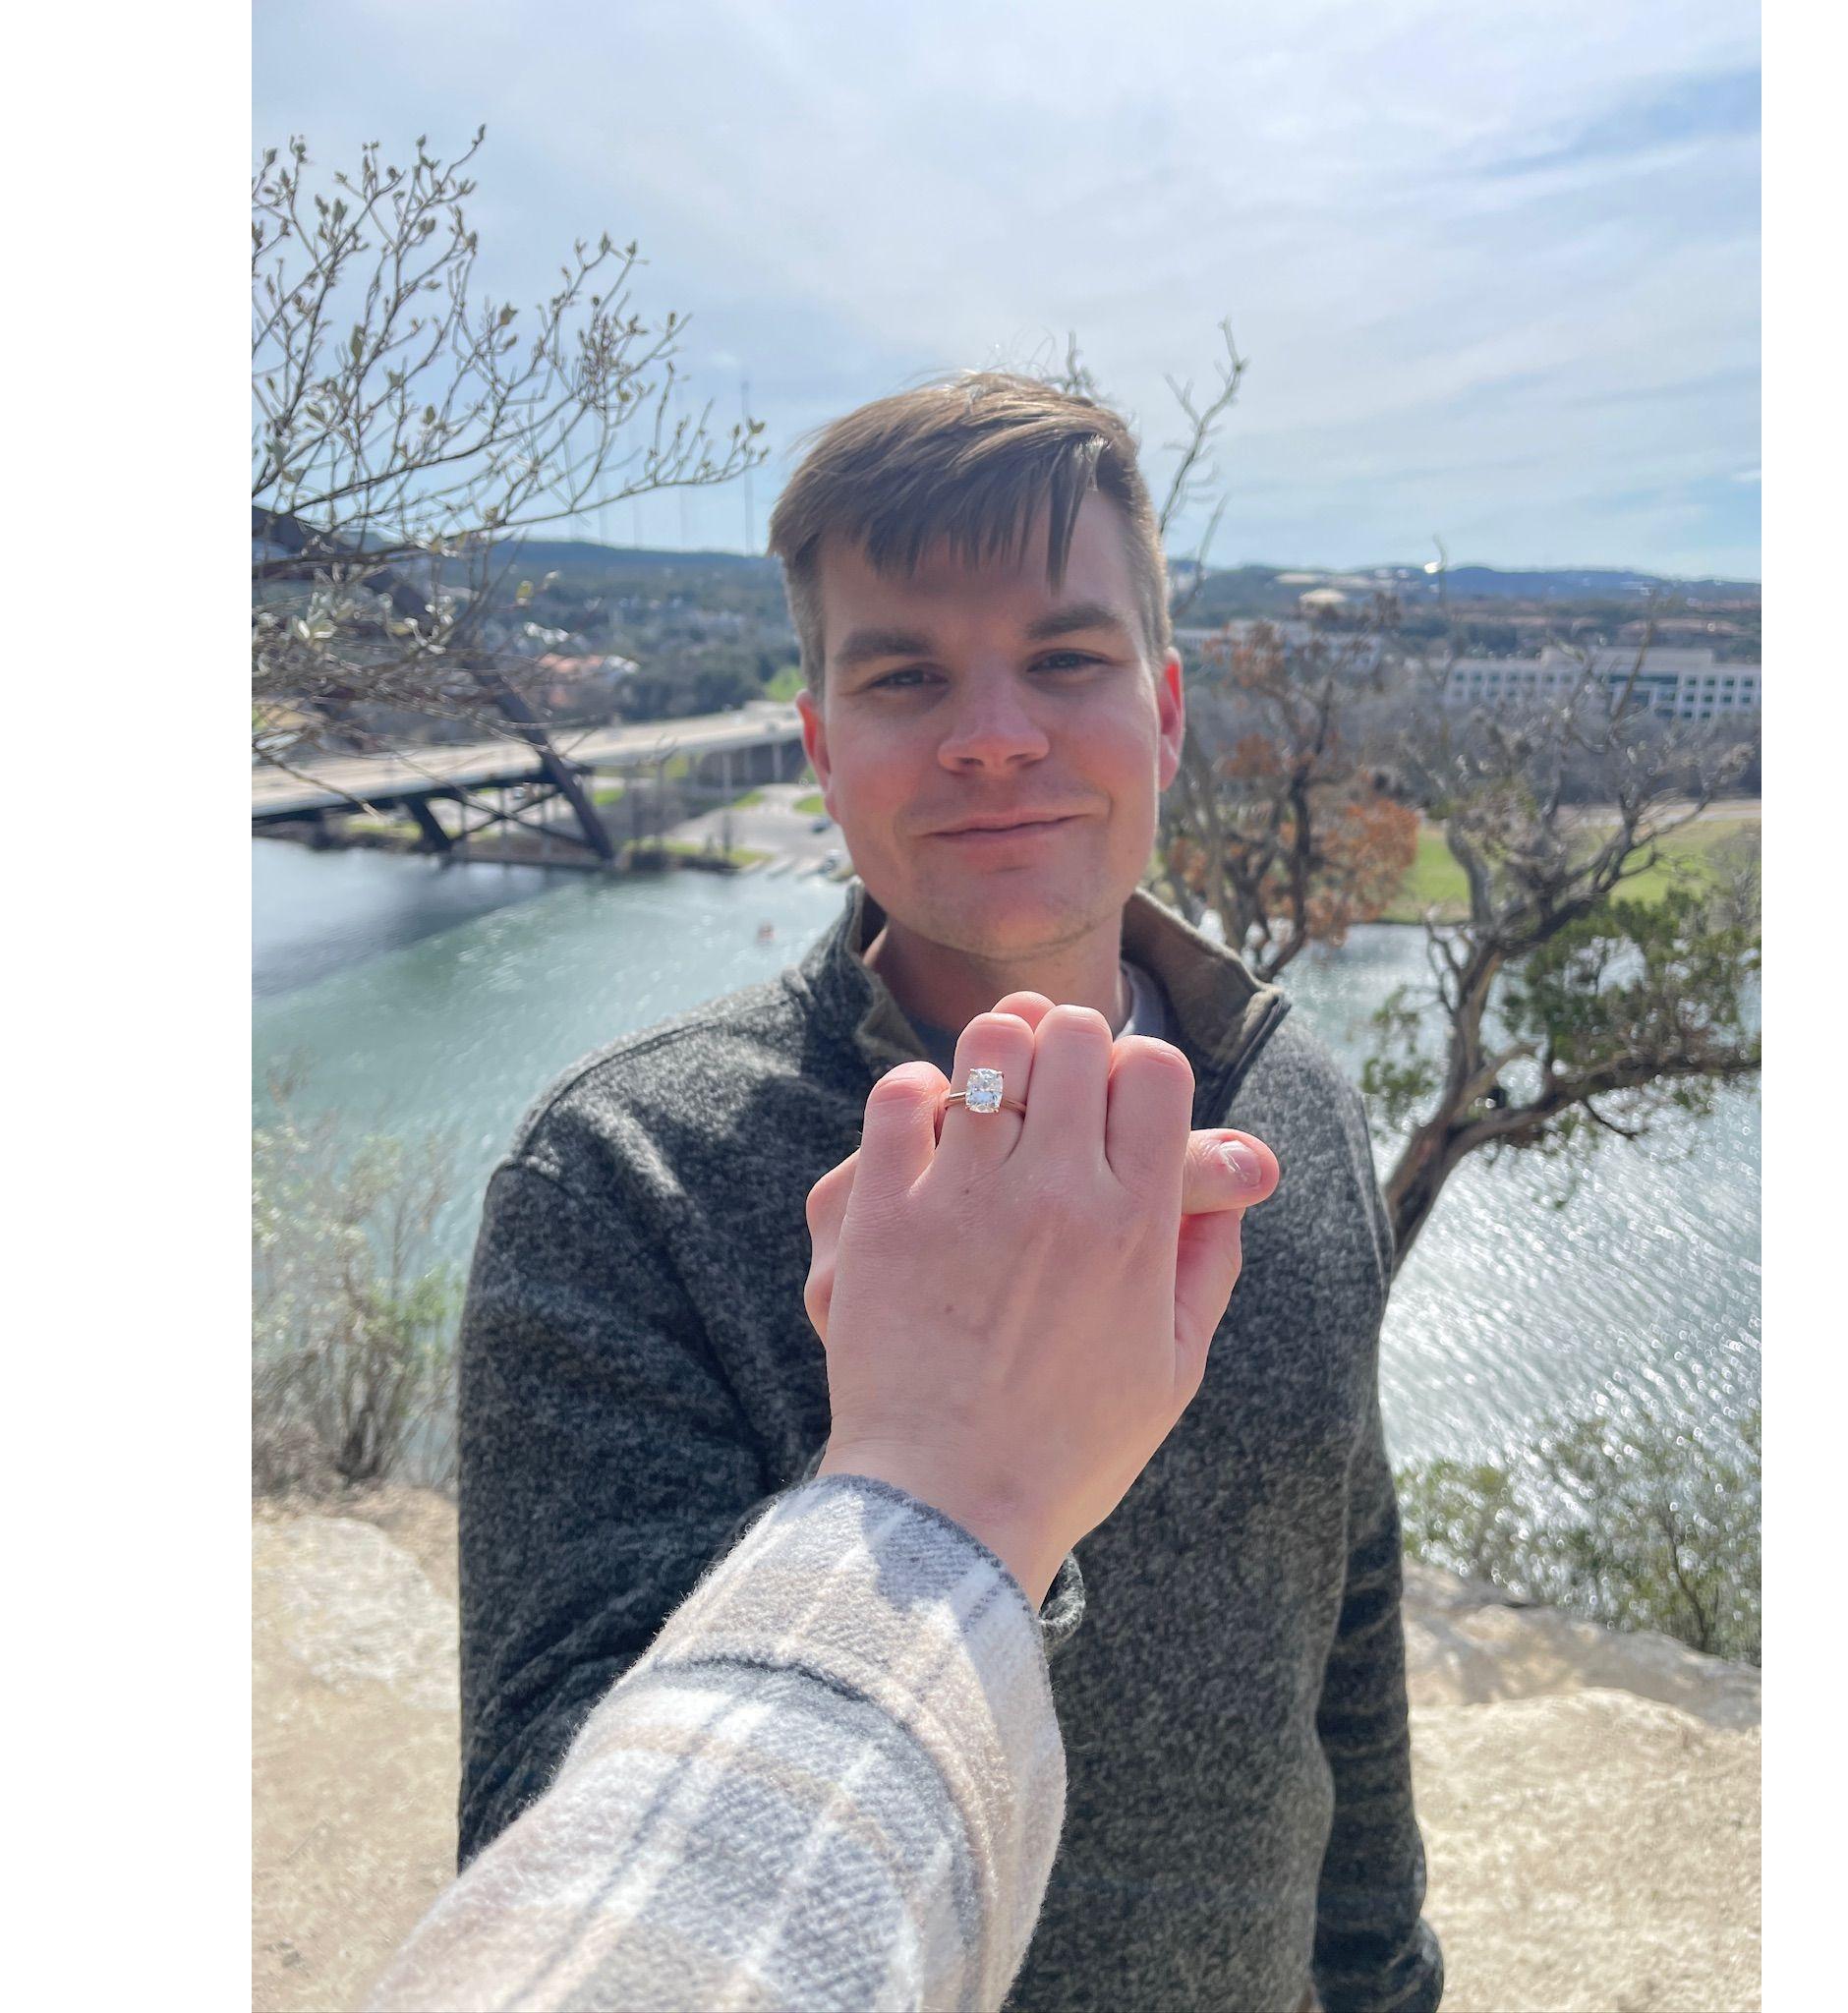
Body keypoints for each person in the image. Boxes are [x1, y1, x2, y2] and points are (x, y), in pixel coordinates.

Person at [457, 373, 1443, 2012]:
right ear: (825, 749)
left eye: (1066, 657)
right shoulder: (625, 1179)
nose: (995, 729)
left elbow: (1338, 1610)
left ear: (1167, 711)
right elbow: (548, 1858)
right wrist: (963, 1517)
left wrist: (1384, 1978)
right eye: (908, 674)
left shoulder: (1294, 1107)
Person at [373, 1002, 1277, 2011]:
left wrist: (1380, 1967)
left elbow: (1344, 1582)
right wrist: (948, 1482)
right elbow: (530, 1830)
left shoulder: (1290, 1085)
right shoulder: (613, 1162)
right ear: (828, 825)